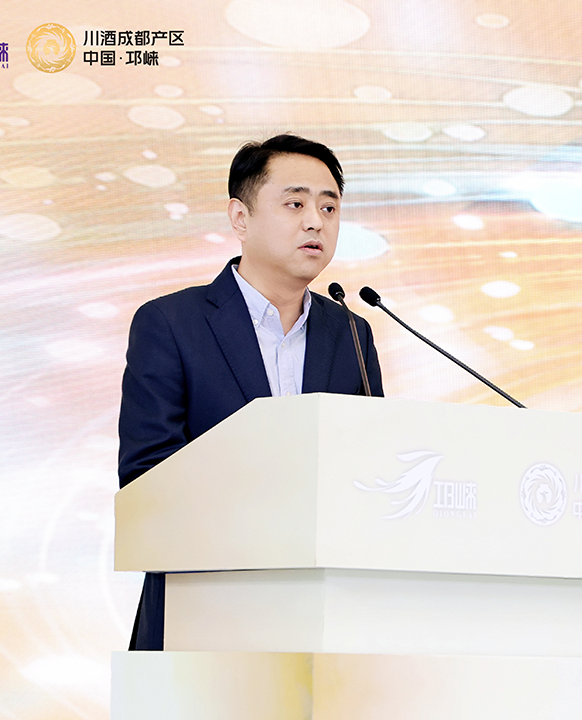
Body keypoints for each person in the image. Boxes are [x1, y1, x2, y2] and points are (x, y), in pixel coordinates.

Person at [117, 134, 383, 651]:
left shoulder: (352, 333)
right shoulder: (171, 323)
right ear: (240, 218)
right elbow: (147, 478)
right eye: (295, 204)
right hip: (202, 616)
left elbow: (369, 474)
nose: (316, 222)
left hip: (321, 627)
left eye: (329, 207)